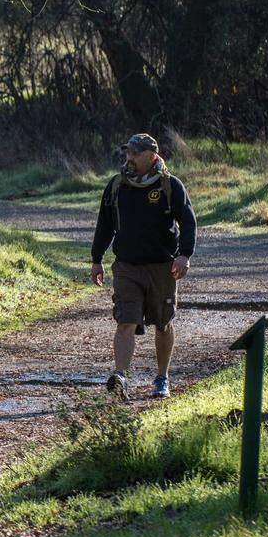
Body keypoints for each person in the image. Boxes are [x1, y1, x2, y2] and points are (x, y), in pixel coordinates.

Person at [90, 133, 196, 399]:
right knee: (125, 321)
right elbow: (104, 225)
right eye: (128, 153)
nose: (129, 159)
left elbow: (189, 222)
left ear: (151, 156)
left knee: (163, 323)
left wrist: (184, 255)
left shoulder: (170, 185)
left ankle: (162, 378)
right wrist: (96, 259)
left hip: (162, 267)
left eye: (135, 154)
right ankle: (121, 378)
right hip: (126, 266)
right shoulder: (117, 186)